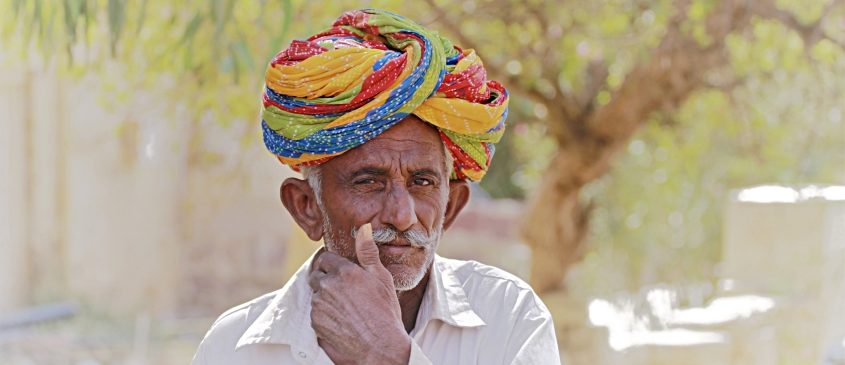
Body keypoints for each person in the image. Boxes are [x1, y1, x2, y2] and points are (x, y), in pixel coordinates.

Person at [192, 9, 561, 365]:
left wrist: (386, 354)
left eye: (423, 182)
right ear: (307, 207)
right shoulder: (234, 350)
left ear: (450, 208)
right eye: (368, 182)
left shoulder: (509, 318)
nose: (402, 215)